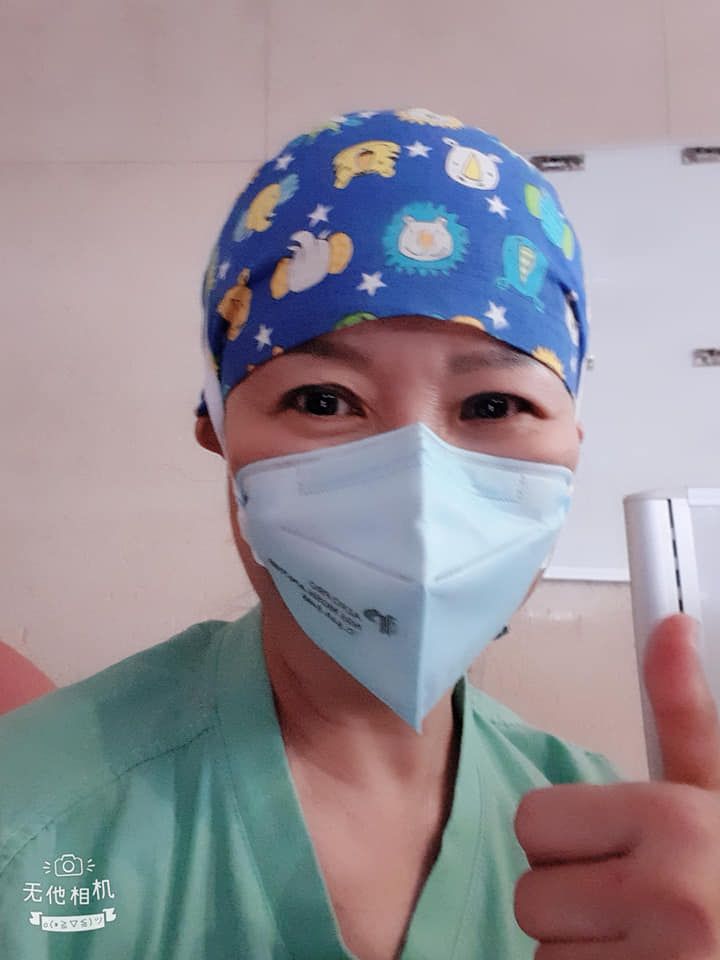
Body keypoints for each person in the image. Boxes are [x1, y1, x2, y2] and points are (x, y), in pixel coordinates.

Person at [1, 108, 719, 960]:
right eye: (324, 401)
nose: (416, 492)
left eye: (494, 404)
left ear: (572, 447)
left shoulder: (630, 855)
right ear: (217, 431)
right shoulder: (34, 832)